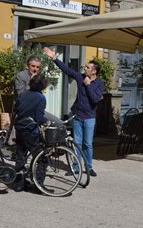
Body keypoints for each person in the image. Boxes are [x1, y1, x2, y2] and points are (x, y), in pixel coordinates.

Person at [43, 47, 104, 177]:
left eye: (88, 67)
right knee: (77, 143)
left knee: (87, 144)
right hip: (77, 115)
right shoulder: (80, 77)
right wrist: (54, 58)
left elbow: (94, 99)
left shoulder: (99, 84)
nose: (85, 68)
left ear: (94, 71)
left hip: (89, 118)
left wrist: (88, 85)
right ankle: (76, 167)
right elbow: (67, 70)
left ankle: (88, 167)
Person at [13, 74, 49, 192]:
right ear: (43, 86)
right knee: (42, 157)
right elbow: (39, 118)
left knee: (20, 156)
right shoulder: (41, 98)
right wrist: (47, 121)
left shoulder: (23, 95)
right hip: (30, 130)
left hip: (19, 128)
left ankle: (19, 184)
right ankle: (39, 185)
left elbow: (16, 110)